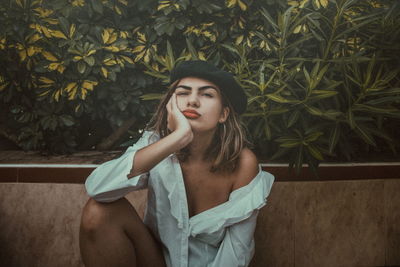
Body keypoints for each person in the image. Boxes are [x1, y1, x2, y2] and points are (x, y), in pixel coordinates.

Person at [79, 60, 275, 267]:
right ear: (170, 104)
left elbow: (237, 252)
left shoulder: (243, 162)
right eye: (183, 93)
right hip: (156, 261)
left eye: (207, 94)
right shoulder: (157, 144)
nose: (192, 101)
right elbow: (97, 188)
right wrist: (177, 138)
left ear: (223, 114)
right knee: (98, 211)